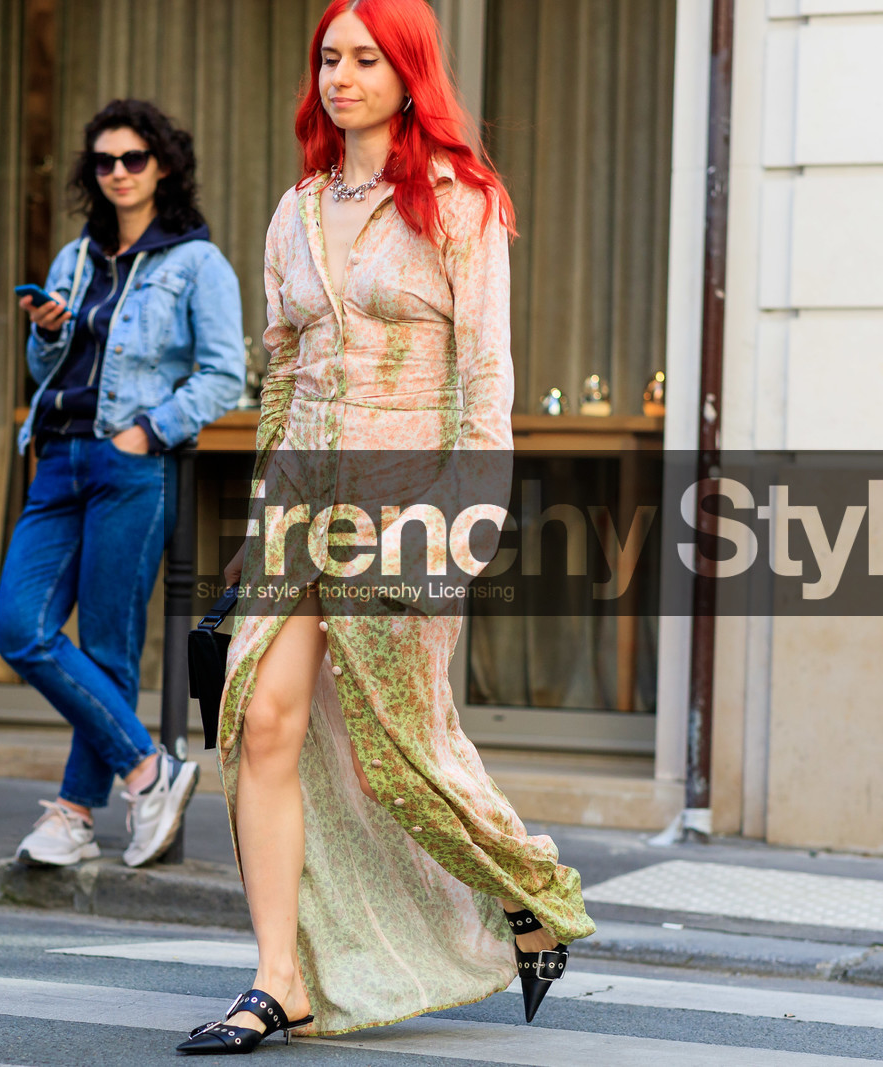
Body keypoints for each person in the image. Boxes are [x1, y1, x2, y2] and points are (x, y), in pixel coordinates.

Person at [177, 1, 594, 1054]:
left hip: (407, 504)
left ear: (411, 73)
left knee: (398, 749)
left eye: (366, 58)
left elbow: (482, 375)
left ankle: (529, 888)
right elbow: (280, 375)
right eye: (329, 57)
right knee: (257, 721)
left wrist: (459, 522)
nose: (341, 76)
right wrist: (258, 511)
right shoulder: (296, 210)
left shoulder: (459, 202)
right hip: (297, 506)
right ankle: (281, 979)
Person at [0, 100, 245, 868]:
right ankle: (148, 769)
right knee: (19, 626)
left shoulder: (197, 264)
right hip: (58, 458)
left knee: (105, 644)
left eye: (132, 159)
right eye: (104, 162)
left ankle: (74, 814)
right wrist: (45, 332)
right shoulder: (76, 258)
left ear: (162, 165)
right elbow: (53, 370)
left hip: (130, 464)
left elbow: (224, 375)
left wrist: (148, 429)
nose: (117, 174)